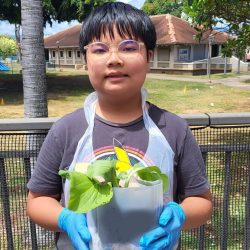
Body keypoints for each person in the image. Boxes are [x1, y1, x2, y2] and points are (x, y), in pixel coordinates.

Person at [26, 2, 213, 250]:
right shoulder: (66, 130)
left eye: (128, 48)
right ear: (86, 59)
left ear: (148, 56)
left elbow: (201, 201)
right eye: (100, 50)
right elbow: (38, 200)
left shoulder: (173, 128)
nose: (114, 59)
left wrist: (179, 217)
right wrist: (64, 218)